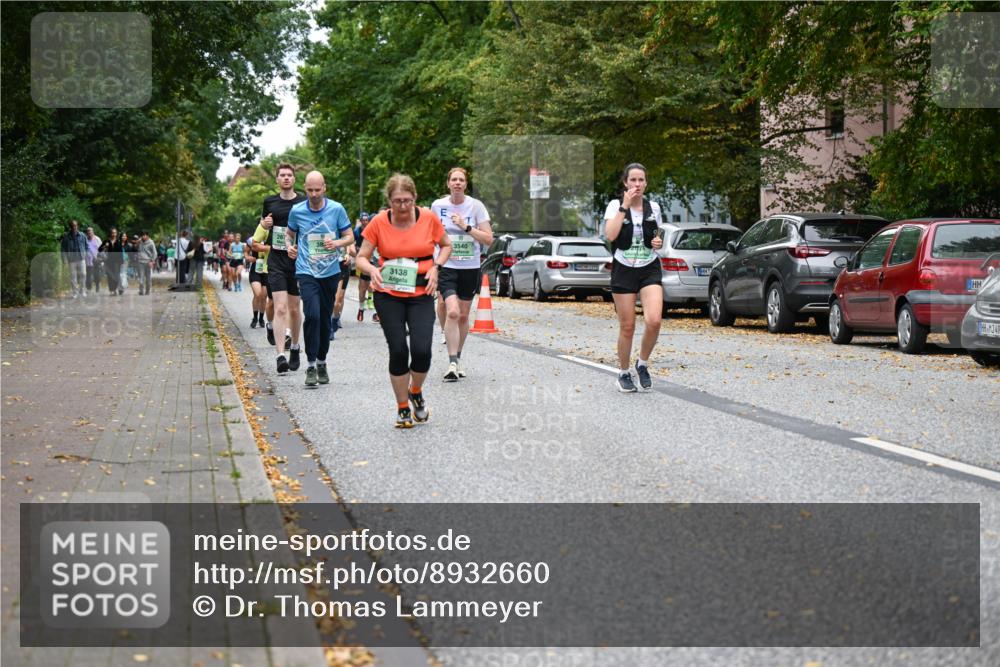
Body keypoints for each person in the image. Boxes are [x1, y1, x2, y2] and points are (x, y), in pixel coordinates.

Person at [355, 173, 452, 427]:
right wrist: (372, 269)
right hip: (388, 294)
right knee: (398, 348)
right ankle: (402, 408)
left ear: (415, 198)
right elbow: (361, 256)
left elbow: (446, 246)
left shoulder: (428, 219)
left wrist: (436, 268)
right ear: (389, 200)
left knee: (422, 351)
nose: (402, 206)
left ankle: (416, 391)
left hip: (421, 293)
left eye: (407, 201)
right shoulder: (378, 222)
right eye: (397, 201)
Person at [286, 171, 354, 387]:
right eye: (310, 190)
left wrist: (337, 243)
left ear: (324, 188)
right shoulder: (297, 211)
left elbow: (350, 236)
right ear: (304, 189)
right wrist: (290, 247)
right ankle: (310, 365)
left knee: (324, 319)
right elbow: (289, 234)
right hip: (306, 271)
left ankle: (322, 361)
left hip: (330, 272)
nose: (314, 194)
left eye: (317, 190)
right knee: (312, 315)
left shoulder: (336, 209)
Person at [603, 162, 664, 392]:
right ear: (625, 183)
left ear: (646, 183)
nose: (637, 184)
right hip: (624, 267)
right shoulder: (614, 206)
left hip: (649, 266)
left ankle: (643, 363)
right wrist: (624, 207)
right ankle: (623, 372)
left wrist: (657, 242)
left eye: (641, 180)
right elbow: (610, 235)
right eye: (633, 180)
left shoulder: (654, 207)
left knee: (654, 320)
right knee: (627, 326)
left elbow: (656, 237)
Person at [431, 167, 493, 381]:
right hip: (446, 265)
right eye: (454, 179)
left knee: (464, 315)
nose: (457, 183)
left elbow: (488, 239)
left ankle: (457, 356)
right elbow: (430, 234)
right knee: (452, 312)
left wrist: (466, 227)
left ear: (466, 184)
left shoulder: (476, 207)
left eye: (461, 180)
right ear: (448, 183)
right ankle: (451, 363)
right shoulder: (438, 206)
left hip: (470, 267)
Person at [261, 164, 307, 373]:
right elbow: (263, 226)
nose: (286, 178)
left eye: (289, 175)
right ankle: (280, 355)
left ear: (294, 180)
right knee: (279, 307)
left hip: (297, 261)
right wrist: (265, 224)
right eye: (282, 175)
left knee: (295, 309)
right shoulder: (270, 202)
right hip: (277, 259)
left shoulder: (303, 202)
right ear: (277, 179)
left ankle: (295, 347)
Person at [330, 222, 356, 340]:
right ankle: (329, 326)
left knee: (338, 300)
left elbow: (352, 250)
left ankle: (335, 318)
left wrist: (349, 254)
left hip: (343, 266)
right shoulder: (329, 233)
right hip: (330, 266)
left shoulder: (347, 235)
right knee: (331, 299)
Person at [250, 218, 275, 337]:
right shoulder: (253, 240)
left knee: (264, 296)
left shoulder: (272, 237)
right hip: (256, 269)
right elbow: (247, 251)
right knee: (258, 294)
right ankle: (254, 317)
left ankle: (261, 318)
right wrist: (248, 258)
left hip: (266, 269)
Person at [60, 220, 89, 298]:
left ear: (77, 226)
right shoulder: (66, 236)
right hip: (71, 260)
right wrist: (64, 260)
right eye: (72, 226)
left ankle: (82, 290)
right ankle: (75, 292)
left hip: (81, 258)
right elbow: (63, 249)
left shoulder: (82, 235)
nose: (74, 227)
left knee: (83, 274)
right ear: (70, 227)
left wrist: (86, 254)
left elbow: (87, 246)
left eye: (75, 225)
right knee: (73, 276)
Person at [104, 228, 124, 295]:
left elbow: (121, 252)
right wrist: (105, 247)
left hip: (117, 262)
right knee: (110, 276)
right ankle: (112, 290)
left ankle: (116, 289)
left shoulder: (118, 242)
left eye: (115, 233)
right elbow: (101, 250)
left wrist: (121, 261)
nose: (113, 234)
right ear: (110, 233)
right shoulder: (107, 241)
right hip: (109, 261)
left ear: (116, 234)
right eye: (112, 233)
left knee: (116, 276)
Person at [137, 231, 157, 295]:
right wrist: (137, 242)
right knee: (141, 278)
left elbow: (155, 253)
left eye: (145, 235)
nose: (144, 236)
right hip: (140, 262)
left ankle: (147, 290)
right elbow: (135, 248)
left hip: (148, 262)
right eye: (143, 235)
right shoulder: (140, 242)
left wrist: (152, 261)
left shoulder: (151, 242)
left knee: (148, 278)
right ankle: (141, 291)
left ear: (148, 236)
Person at [84, 226, 102, 294]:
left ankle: (97, 285)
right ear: (86, 233)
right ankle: (89, 288)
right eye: (88, 232)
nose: (89, 233)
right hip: (88, 261)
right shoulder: (85, 240)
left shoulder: (97, 239)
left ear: (93, 232)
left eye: (90, 232)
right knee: (88, 275)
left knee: (97, 275)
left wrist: (100, 258)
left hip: (96, 260)